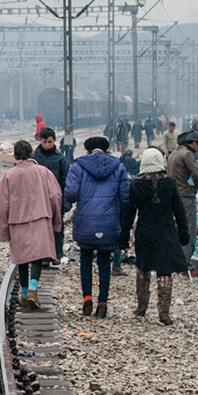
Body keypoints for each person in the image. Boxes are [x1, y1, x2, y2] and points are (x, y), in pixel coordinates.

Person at [64, 135, 131, 318]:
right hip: (109, 222)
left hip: (85, 220)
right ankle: (103, 303)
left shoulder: (78, 166)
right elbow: (126, 197)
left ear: (87, 150)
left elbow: (70, 193)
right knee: (104, 261)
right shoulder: (118, 167)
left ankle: (87, 298)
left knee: (85, 259)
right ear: (106, 150)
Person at [123, 148, 192, 322]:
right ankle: (164, 313)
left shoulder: (136, 186)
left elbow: (128, 215)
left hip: (144, 232)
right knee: (164, 271)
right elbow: (180, 212)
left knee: (143, 268)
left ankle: (141, 307)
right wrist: (184, 236)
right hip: (166, 232)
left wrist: (122, 238)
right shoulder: (170, 184)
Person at [0, 139, 63, 309]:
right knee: (36, 255)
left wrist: (4, 231)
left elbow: (3, 206)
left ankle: (25, 293)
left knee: (22, 258)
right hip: (40, 218)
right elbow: (55, 197)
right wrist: (56, 220)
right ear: (32, 153)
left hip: (17, 221)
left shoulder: (8, 176)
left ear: (14, 156)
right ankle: (33, 289)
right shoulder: (43, 172)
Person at [32, 128, 73, 262]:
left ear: (54, 141)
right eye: (45, 142)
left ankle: (57, 253)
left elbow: (66, 180)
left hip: (56, 199)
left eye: (50, 142)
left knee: (57, 227)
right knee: (39, 228)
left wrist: (66, 202)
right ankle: (40, 254)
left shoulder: (60, 159)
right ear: (40, 141)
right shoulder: (35, 157)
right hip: (38, 199)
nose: (47, 145)